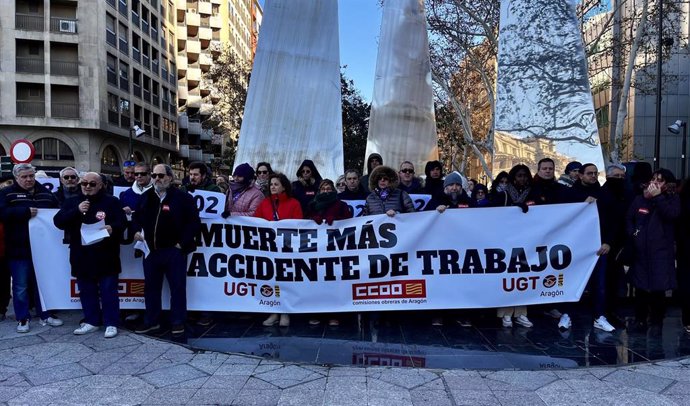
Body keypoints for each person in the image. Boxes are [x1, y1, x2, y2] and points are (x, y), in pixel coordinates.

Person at [53, 172, 126, 338]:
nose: (87, 187)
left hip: (106, 255)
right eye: (84, 183)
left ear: (100, 185)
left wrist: (112, 228)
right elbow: (58, 221)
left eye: (92, 184)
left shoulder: (112, 201)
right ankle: (92, 321)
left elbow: (122, 222)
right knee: (86, 290)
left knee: (109, 290)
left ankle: (111, 323)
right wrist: (77, 211)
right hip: (82, 255)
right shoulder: (73, 202)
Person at [132, 164, 201, 336]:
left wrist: (181, 243)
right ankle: (151, 320)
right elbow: (136, 217)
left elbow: (193, 223)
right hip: (151, 251)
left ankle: (178, 321)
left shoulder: (183, 198)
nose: (157, 179)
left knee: (177, 287)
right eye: (154, 175)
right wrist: (135, 231)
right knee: (151, 288)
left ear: (170, 178)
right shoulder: (146, 196)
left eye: (161, 175)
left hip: (173, 252)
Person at [0, 163, 62, 333]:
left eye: (31, 176)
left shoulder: (46, 193)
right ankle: (22, 318)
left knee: (44, 284)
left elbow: (58, 212)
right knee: (20, 286)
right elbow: (2, 213)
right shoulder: (6, 193)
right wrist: (24, 212)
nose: (29, 180)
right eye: (24, 177)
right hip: (18, 249)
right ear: (16, 178)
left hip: (43, 249)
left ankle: (46, 314)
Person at [560, 163, 616, 332]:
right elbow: (563, 217)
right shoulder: (570, 194)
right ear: (581, 175)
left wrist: (608, 242)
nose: (593, 176)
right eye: (589, 173)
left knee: (599, 284)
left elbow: (613, 221)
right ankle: (566, 314)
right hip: (574, 248)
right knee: (571, 282)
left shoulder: (605, 195)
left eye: (595, 173)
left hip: (598, 248)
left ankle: (599, 316)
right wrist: (582, 205)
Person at [626, 169, 680, 330]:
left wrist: (658, 198)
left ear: (667, 184)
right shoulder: (640, 199)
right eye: (654, 179)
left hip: (661, 252)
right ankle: (639, 319)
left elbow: (671, 215)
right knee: (640, 287)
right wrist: (633, 235)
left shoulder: (673, 199)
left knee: (658, 288)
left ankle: (657, 321)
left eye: (660, 180)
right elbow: (629, 218)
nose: (655, 182)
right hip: (640, 251)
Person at [254, 173, 303, 327]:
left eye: (276, 184)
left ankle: (285, 312)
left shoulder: (294, 203)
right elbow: (255, 221)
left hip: (287, 248)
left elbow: (298, 225)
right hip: (269, 248)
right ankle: (274, 311)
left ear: (283, 186)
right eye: (271, 184)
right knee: (272, 280)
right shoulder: (265, 203)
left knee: (286, 280)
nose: (273, 187)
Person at [426, 172, 472, 327]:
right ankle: (437, 314)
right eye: (451, 185)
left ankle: (462, 314)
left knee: (461, 283)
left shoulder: (467, 201)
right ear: (445, 187)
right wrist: (434, 211)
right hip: (440, 248)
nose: (454, 188)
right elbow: (422, 219)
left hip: (461, 249)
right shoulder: (436, 200)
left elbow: (480, 216)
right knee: (440, 282)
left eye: (457, 185)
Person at [307, 179, 353, 327]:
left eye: (328, 188)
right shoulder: (312, 205)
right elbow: (303, 222)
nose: (326, 191)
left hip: (335, 249)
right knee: (316, 281)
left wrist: (337, 220)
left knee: (334, 282)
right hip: (316, 250)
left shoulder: (341, 205)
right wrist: (312, 220)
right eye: (323, 189)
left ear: (333, 190)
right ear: (319, 191)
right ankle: (316, 312)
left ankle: (334, 314)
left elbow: (349, 223)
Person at [495, 164, 533, 328]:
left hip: (526, 240)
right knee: (507, 277)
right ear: (513, 177)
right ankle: (506, 314)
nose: (522, 179)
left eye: (525, 175)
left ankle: (521, 313)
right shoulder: (502, 195)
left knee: (522, 277)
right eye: (519, 175)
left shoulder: (532, 193)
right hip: (505, 240)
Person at [0, 174, 13, 320]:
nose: (7, 185)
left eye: (10, 182)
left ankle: (1, 308)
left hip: (8, 248)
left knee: (3, 281)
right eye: (5, 183)